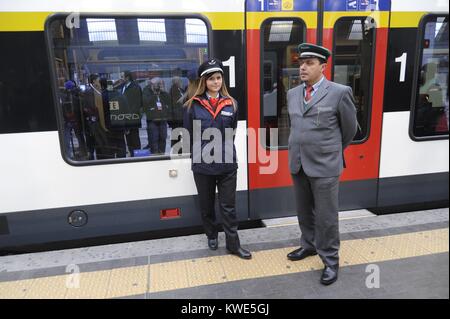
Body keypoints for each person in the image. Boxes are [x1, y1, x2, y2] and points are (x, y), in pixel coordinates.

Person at [286, 43, 357, 285]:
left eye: (309, 63)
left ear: (323, 67)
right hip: (298, 163)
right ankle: (309, 245)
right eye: (301, 63)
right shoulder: (293, 94)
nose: (303, 67)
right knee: (304, 212)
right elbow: (297, 127)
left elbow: (350, 130)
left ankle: (330, 260)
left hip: (325, 166)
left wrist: (331, 152)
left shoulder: (339, 92)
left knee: (326, 217)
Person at [183, 58, 251, 260]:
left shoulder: (232, 103)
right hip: (203, 165)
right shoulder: (191, 105)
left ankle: (233, 244)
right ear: (204, 81)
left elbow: (232, 132)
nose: (216, 82)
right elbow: (188, 135)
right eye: (211, 78)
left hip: (227, 163)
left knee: (228, 207)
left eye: (219, 78)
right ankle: (211, 235)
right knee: (206, 205)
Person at [142, 77, 172, 154]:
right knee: (153, 140)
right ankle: (155, 157)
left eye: (158, 84)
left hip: (163, 119)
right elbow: (145, 103)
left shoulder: (162, 92)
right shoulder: (146, 90)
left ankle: (162, 155)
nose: (157, 86)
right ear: (151, 84)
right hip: (152, 119)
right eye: (155, 84)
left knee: (163, 138)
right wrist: (154, 94)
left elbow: (169, 101)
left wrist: (163, 91)